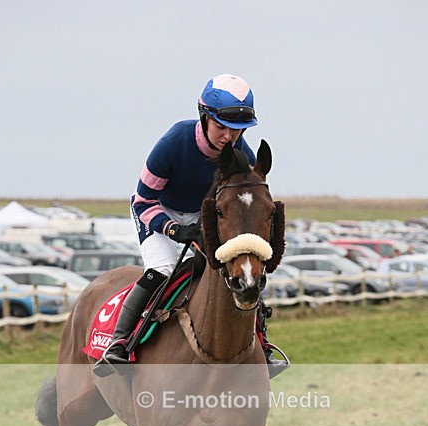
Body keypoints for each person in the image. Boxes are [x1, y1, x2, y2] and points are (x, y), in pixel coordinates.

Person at [95, 73, 287, 373]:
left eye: (237, 130)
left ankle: (261, 345)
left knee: (235, 269)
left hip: (202, 216)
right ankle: (119, 343)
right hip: (156, 211)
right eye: (221, 127)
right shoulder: (175, 142)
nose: (229, 137)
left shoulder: (243, 156)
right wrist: (173, 229)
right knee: (163, 269)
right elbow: (144, 200)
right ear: (204, 117)